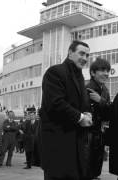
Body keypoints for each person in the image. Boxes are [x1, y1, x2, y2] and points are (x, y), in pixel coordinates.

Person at [40, 40, 92, 180]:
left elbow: (82, 103)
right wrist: (80, 117)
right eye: (81, 53)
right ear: (70, 52)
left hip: (76, 143)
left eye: (87, 55)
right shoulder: (55, 72)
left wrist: (87, 113)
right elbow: (55, 103)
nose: (85, 58)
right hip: (58, 143)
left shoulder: (80, 76)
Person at [81, 57, 111, 179]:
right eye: (102, 70)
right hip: (87, 135)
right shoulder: (86, 89)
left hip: (99, 134)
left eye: (107, 71)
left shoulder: (105, 90)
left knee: (96, 166)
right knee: (87, 167)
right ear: (93, 73)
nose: (106, 74)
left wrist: (101, 101)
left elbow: (109, 113)